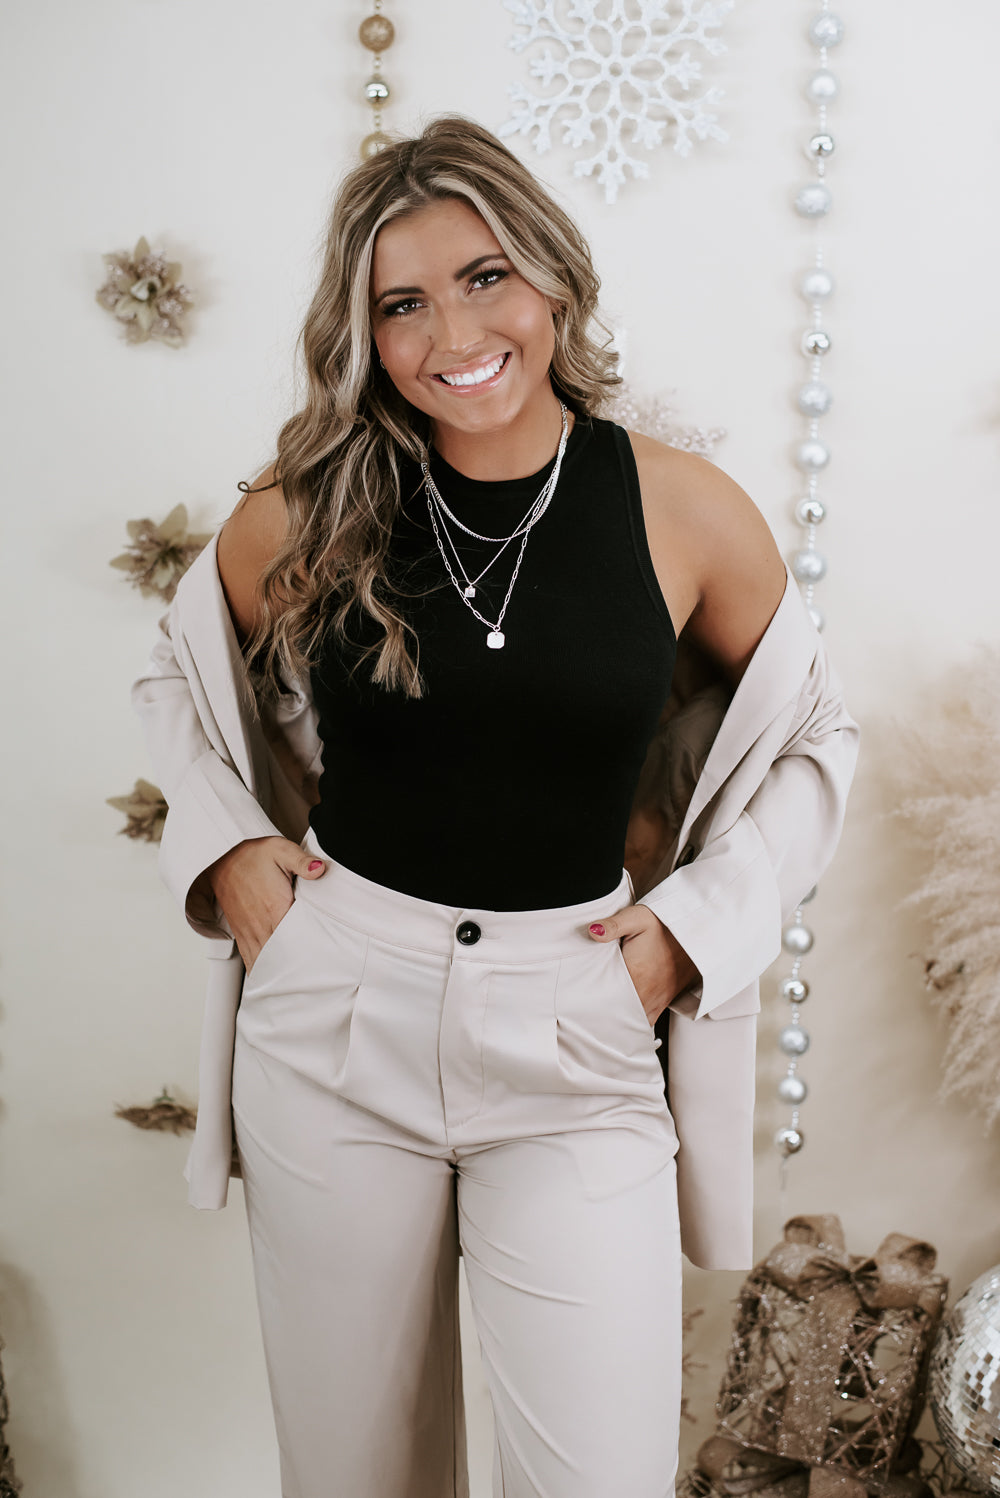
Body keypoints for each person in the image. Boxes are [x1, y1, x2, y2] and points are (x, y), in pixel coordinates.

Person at [130, 115, 860, 1498]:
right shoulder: (310, 508)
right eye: (401, 303)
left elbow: (817, 734)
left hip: (576, 1032)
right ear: (365, 332)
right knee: (355, 1474)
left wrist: (689, 933)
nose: (452, 334)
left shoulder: (681, 509)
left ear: (553, 279)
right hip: (336, 1019)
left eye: (484, 278)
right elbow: (180, 669)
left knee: (599, 1474)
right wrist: (229, 851)